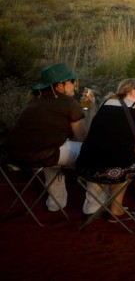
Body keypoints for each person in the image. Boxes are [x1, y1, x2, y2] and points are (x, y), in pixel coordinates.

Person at [7, 63, 104, 215]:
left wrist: (81, 110)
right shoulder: (69, 103)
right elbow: (83, 138)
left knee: (54, 152)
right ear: (60, 85)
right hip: (47, 154)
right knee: (95, 154)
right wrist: (90, 108)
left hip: (18, 155)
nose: (74, 85)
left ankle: (55, 204)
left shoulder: (34, 101)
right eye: (71, 81)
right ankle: (94, 207)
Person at [76, 78, 135, 225]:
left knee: (118, 156)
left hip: (86, 169)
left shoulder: (105, 103)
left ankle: (112, 208)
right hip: (116, 172)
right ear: (134, 93)